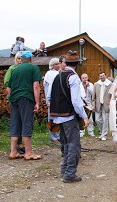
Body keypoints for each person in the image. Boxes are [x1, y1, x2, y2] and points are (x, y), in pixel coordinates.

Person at [49, 50, 89, 183]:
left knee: (66, 144)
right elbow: (76, 102)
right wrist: (84, 116)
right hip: (69, 116)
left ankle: (64, 169)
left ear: (65, 63)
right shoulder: (73, 77)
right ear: (77, 64)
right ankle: (70, 173)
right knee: (74, 145)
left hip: (57, 116)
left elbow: (50, 97)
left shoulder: (57, 76)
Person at [7, 51, 42, 160]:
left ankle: (13, 152)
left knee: (15, 123)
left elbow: (9, 88)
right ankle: (28, 153)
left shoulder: (14, 69)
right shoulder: (34, 68)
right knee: (27, 123)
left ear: (21, 59)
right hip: (26, 98)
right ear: (31, 59)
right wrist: (37, 102)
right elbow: (36, 86)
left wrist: (11, 99)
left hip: (14, 99)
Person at [4, 52, 25, 154]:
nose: (20, 61)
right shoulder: (12, 69)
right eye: (18, 59)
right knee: (16, 121)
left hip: (24, 98)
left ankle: (20, 144)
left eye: (21, 59)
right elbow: (7, 82)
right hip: (15, 98)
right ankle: (15, 146)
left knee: (23, 121)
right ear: (16, 59)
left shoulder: (25, 69)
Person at [44, 58, 61, 143]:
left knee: (58, 118)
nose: (59, 65)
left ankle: (57, 136)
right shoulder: (50, 74)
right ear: (53, 65)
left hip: (57, 100)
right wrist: (48, 101)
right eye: (57, 64)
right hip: (52, 100)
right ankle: (53, 137)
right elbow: (49, 88)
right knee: (52, 119)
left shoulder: (57, 73)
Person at [92, 71, 112, 140]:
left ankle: (104, 135)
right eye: (100, 76)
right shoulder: (96, 84)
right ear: (99, 77)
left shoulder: (110, 84)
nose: (102, 77)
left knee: (105, 119)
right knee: (97, 120)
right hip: (98, 104)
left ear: (105, 76)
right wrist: (93, 105)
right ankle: (101, 131)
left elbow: (112, 95)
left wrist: (111, 104)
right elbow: (93, 96)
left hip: (106, 104)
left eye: (103, 76)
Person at [80, 73, 95, 137]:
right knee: (81, 118)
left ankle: (90, 132)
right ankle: (81, 131)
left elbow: (93, 93)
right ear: (81, 79)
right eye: (83, 78)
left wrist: (88, 86)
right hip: (81, 103)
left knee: (90, 118)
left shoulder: (91, 85)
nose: (84, 79)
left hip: (88, 103)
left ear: (87, 78)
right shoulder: (79, 85)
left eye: (85, 78)